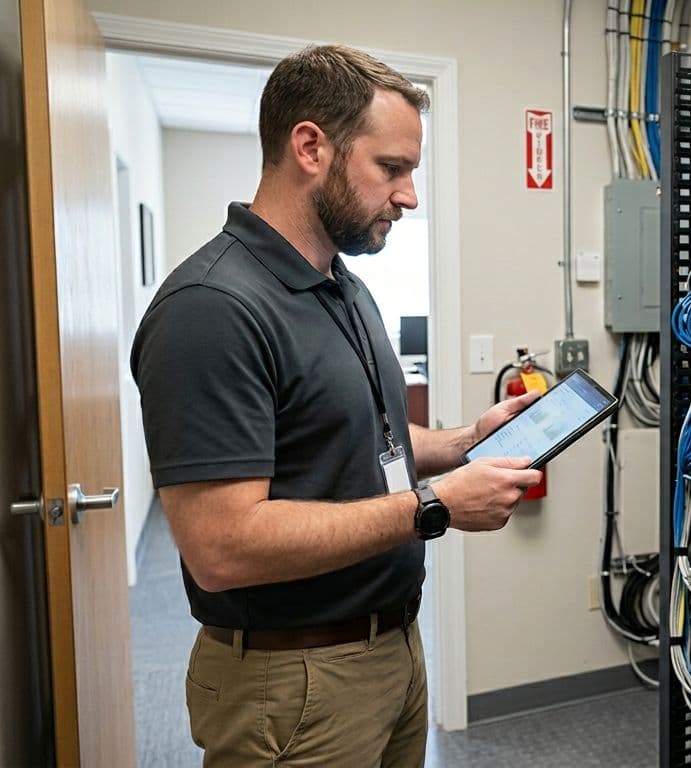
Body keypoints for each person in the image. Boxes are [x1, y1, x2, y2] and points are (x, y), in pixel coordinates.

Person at [130, 44, 542, 766]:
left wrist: (460, 439)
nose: (410, 195)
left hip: (392, 651)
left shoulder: (341, 284)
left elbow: (354, 435)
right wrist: (435, 505)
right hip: (294, 683)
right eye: (392, 168)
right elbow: (220, 548)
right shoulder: (212, 308)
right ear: (311, 147)